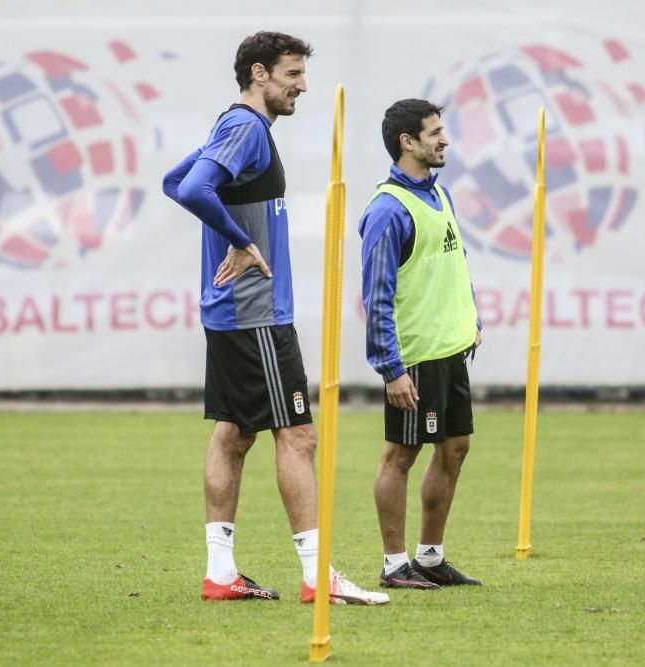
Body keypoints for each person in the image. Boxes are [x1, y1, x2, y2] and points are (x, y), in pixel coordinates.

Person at [162, 31, 387, 606]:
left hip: (235, 314)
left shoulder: (232, 125)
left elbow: (174, 182)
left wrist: (231, 233)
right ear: (259, 74)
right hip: (256, 313)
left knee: (235, 435)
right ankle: (318, 576)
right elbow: (190, 187)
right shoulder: (244, 127)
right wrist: (239, 240)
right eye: (292, 74)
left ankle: (220, 574)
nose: (302, 86)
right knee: (298, 435)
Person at [357, 98, 484, 590]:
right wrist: (391, 369)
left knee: (455, 447)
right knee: (401, 456)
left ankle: (430, 557)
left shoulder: (441, 196)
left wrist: (470, 316)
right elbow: (377, 296)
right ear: (407, 142)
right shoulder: (388, 210)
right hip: (415, 358)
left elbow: (455, 262)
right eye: (434, 132)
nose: (444, 139)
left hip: (451, 350)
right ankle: (394, 565)